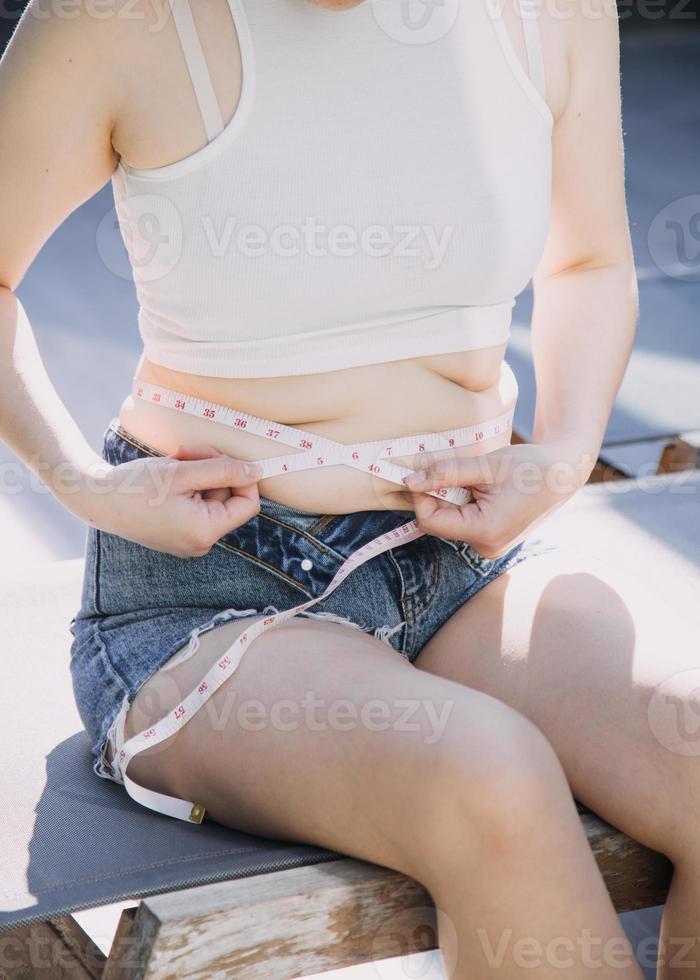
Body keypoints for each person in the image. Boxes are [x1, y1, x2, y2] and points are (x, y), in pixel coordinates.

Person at [1, 0, 696, 976]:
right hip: (208, 598)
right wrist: (80, 480)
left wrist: (564, 448)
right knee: (487, 773)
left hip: (458, 561)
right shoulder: (118, 20)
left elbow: (587, 259)